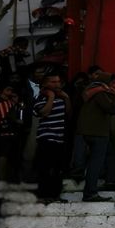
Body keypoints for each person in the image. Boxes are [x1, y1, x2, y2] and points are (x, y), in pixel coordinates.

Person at [75, 70, 115, 202]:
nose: (114, 85)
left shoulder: (91, 90)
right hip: (98, 132)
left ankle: (90, 191)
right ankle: (90, 193)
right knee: (96, 163)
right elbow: (110, 108)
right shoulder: (101, 93)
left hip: (87, 131)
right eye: (112, 82)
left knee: (94, 161)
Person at [32, 72, 71, 202]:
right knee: (45, 168)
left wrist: (66, 98)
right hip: (46, 137)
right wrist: (51, 97)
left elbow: (68, 114)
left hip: (60, 138)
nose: (56, 84)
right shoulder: (41, 97)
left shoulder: (61, 97)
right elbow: (44, 113)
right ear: (45, 84)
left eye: (58, 81)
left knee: (57, 168)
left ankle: (55, 194)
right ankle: (43, 195)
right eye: (53, 82)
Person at [0, 85, 27, 183]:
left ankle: (10, 177)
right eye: (8, 90)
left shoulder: (15, 105)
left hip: (13, 134)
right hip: (2, 133)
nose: (10, 94)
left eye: (14, 94)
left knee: (12, 155)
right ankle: (0, 177)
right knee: (2, 154)